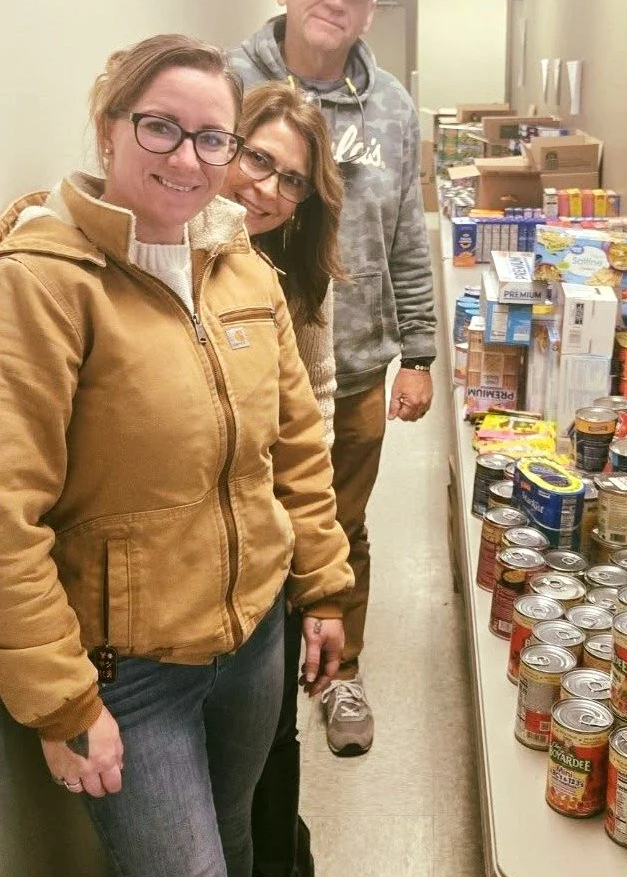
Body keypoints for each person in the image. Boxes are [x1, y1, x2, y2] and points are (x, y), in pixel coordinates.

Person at [0, 34, 352, 877]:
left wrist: (323, 584)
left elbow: (295, 445)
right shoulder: (42, 281)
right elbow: (8, 512)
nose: (188, 158)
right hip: (132, 670)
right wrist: (60, 698)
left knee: (237, 834)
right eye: (160, 127)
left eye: (211, 138)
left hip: (253, 638)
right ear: (108, 127)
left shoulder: (242, 269)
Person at [229, 0, 437, 757]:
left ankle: (339, 671)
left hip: (352, 366)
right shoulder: (228, 83)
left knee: (341, 526)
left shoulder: (392, 107)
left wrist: (418, 352)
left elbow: (406, 234)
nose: (335, 1)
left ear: (369, 10)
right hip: (235, 367)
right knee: (245, 528)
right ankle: (247, 684)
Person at [221, 81, 344, 877]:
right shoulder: (165, 253)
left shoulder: (294, 276)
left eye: (290, 179)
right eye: (257, 159)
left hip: (270, 538)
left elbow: (317, 403)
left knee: (271, 738)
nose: (266, 188)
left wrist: (306, 555)